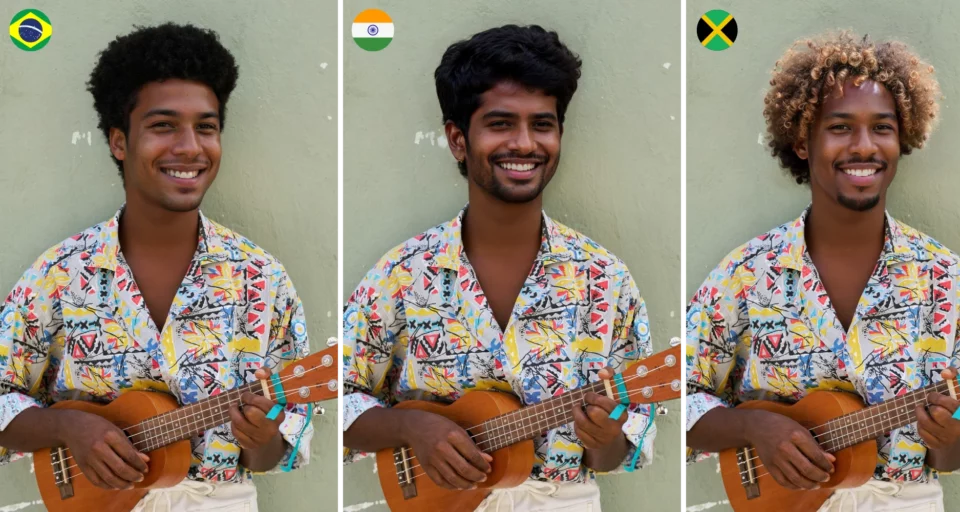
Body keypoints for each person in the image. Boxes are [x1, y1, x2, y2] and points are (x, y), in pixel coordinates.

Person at [341, 25, 656, 511]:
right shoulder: (401, 274)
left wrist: (606, 435)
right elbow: (339, 396)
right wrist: (409, 426)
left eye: (542, 124)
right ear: (457, 139)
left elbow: (616, 454)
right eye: (501, 123)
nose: (525, 143)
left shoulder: (605, 280)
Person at [0, 23, 313, 511]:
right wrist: (66, 426)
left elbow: (270, 457)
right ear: (120, 142)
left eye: (205, 127)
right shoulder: (59, 274)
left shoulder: (261, 279)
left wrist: (262, 434)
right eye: (164, 125)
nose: (190, 146)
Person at [683, 31, 960, 511]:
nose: (864, 146)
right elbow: (679, 397)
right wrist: (751, 426)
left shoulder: (947, 280)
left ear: (903, 138)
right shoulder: (746, 274)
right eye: (840, 127)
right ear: (803, 141)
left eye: (883, 128)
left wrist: (948, 435)